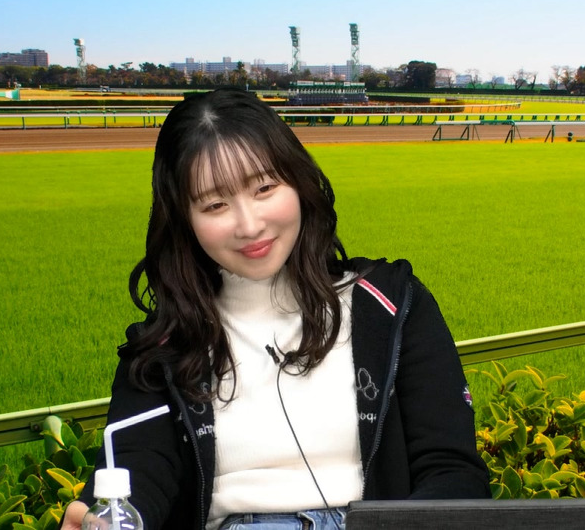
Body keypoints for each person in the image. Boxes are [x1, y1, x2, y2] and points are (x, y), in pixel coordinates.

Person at [61, 88, 489, 530]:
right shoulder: (165, 347)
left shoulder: (389, 305)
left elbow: (452, 469)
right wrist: (107, 520)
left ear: (299, 181)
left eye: (264, 188)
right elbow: (136, 470)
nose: (249, 226)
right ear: (183, 219)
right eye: (215, 205)